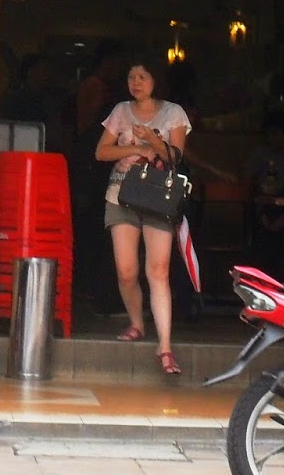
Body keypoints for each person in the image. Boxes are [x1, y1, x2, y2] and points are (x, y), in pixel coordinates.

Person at [95, 60, 191, 375]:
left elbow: (176, 156)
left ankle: (165, 346)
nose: (135, 82)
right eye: (130, 77)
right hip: (120, 195)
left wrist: (153, 141)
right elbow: (101, 152)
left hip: (158, 198)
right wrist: (136, 150)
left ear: (155, 80)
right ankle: (137, 322)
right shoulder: (121, 111)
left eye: (142, 77)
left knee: (158, 271)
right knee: (126, 271)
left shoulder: (174, 112)